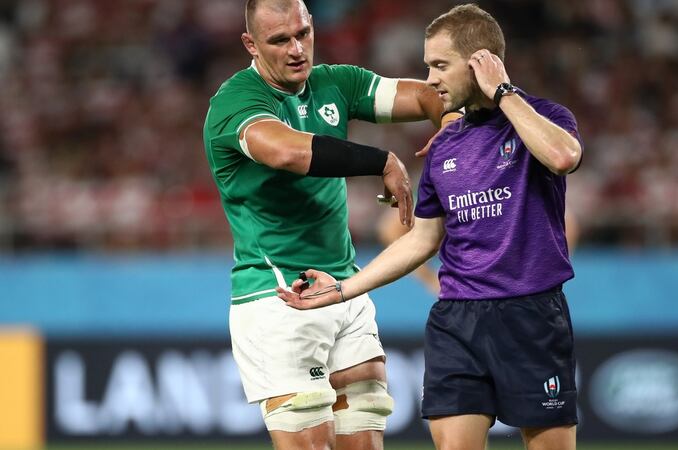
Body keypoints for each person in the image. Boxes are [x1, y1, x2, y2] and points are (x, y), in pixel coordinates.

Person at [277, 5, 583, 450]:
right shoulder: (445, 149)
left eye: (440, 65)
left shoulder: (543, 116)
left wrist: (503, 92)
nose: (430, 78)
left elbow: (563, 157)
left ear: (481, 62)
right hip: (457, 319)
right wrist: (343, 288)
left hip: (531, 316)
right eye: (427, 66)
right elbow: (422, 239)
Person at [201, 0, 453, 448]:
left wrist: (452, 124)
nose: (297, 49)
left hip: (345, 286)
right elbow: (288, 152)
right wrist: (383, 160)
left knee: (367, 422)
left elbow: (428, 95)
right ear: (251, 44)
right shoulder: (237, 102)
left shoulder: (335, 82)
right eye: (279, 40)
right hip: (277, 296)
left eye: (302, 33)